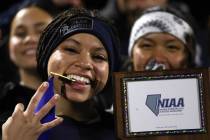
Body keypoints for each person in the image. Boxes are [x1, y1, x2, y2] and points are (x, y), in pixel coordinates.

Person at [2, 8, 120, 140]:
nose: (85, 63)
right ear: (46, 57)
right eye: (71, 49)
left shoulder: (124, 129)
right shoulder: (18, 130)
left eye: (98, 56)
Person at [0, 3, 53, 135]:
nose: (29, 39)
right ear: (9, 46)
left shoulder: (83, 98)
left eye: (41, 31)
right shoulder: (3, 102)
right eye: (20, 33)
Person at [127, 6, 198, 71]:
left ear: (188, 57)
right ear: (132, 55)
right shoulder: (117, 84)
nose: (158, 58)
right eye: (146, 45)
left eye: (172, 47)